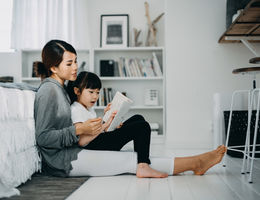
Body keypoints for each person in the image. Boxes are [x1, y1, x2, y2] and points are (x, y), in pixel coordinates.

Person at [34, 39, 227, 178]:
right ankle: (195, 163)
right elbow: (43, 138)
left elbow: (73, 122)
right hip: (63, 160)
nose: (75, 67)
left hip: (73, 149)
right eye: (70, 63)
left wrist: (104, 121)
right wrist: (79, 129)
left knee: (136, 132)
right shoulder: (49, 91)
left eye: (75, 61)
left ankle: (193, 163)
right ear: (53, 68)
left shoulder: (59, 88)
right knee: (130, 159)